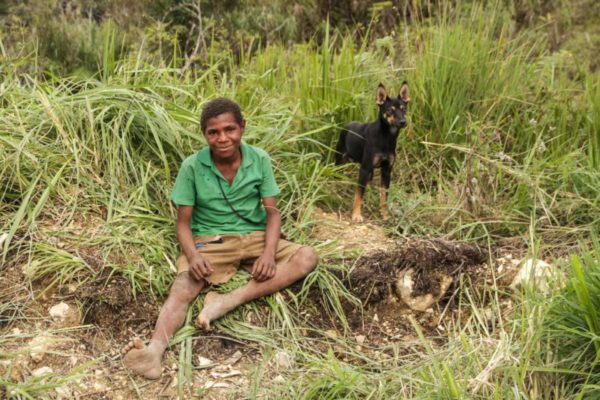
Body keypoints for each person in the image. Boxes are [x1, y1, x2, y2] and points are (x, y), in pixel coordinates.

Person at [121, 97, 318, 379]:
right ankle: (153, 351)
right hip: (211, 241)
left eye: (230, 129)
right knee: (183, 286)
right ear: (205, 135)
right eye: (214, 132)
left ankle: (227, 301)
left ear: (242, 128)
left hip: (255, 237)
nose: (223, 138)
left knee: (308, 256)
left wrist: (268, 253)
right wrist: (194, 255)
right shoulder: (192, 166)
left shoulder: (259, 159)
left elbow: (273, 214)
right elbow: (183, 224)